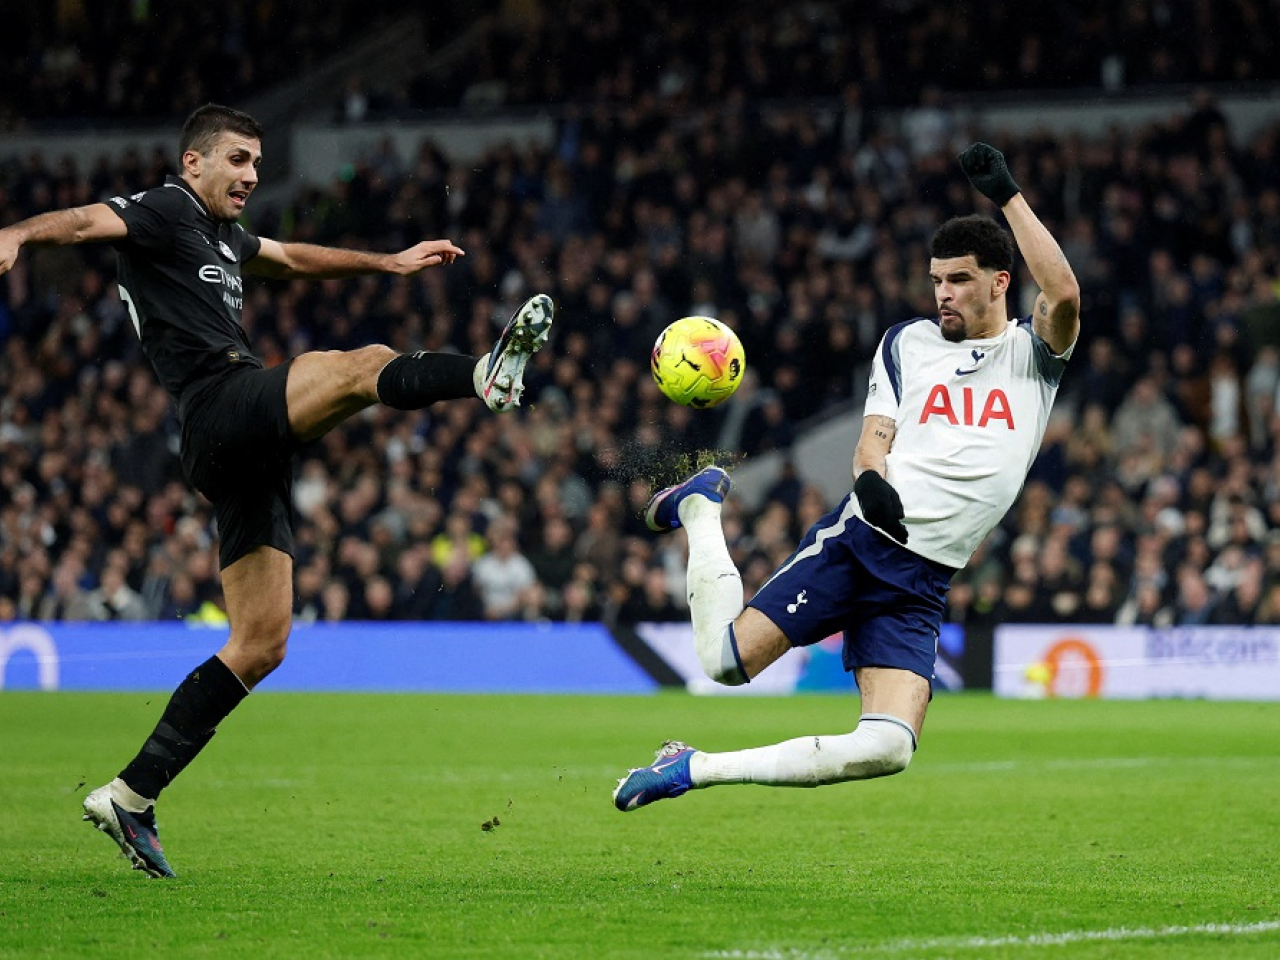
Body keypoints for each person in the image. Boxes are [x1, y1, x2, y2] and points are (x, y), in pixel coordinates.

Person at [0, 103, 554, 876]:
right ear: (192, 162)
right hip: (215, 410)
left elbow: (290, 258)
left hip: (240, 447)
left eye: (257, 163)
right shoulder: (164, 210)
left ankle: (130, 795)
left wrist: (387, 262)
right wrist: (19, 233)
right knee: (362, 365)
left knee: (262, 643)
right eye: (236, 159)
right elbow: (87, 223)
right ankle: (482, 375)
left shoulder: (223, 236)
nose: (251, 175)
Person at [613, 143, 1080, 811]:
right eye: (936, 280)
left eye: (959, 280)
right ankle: (700, 509)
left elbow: (1063, 292)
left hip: (925, 578)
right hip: (863, 544)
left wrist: (1008, 195)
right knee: (724, 663)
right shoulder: (907, 343)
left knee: (888, 748)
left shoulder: (1033, 356)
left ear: (1001, 282)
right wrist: (869, 481)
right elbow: (873, 441)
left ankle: (693, 767)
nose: (943, 294)